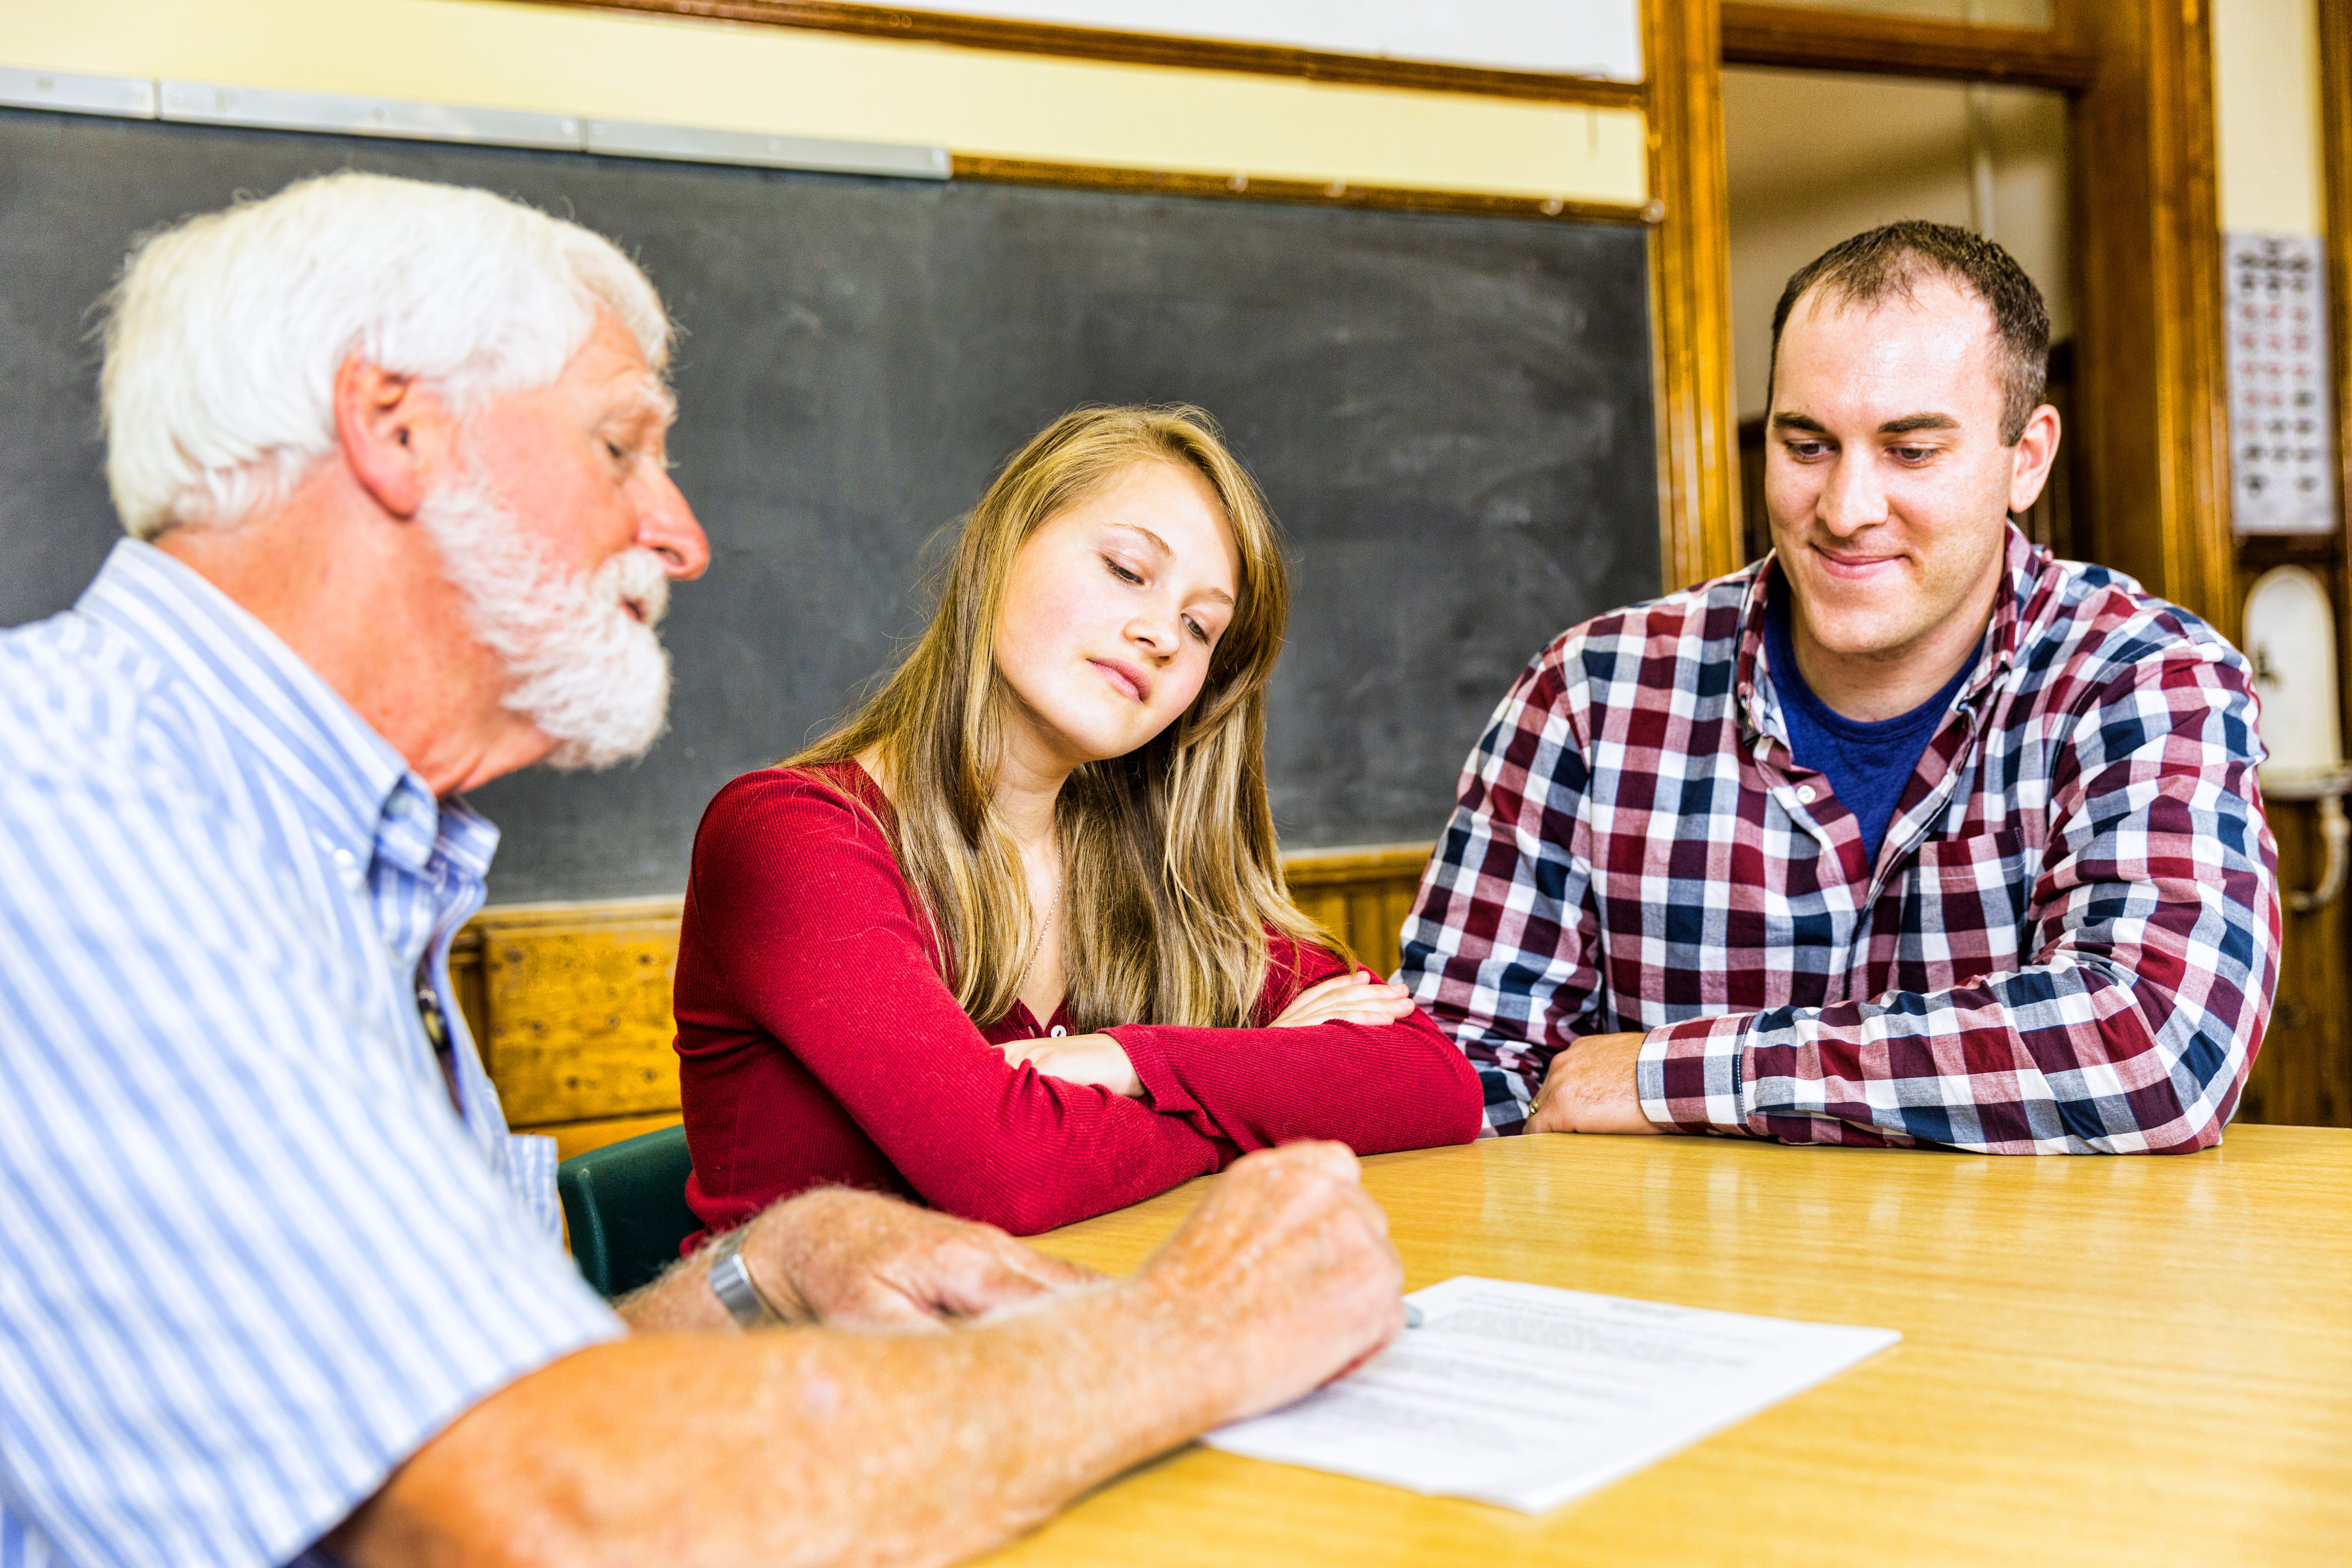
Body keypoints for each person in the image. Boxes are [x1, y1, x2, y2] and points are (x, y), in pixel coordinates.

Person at [0, 172, 1408, 1568]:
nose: (682, 534)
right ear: (396, 428)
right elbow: (530, 1509)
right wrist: (1184, 1336)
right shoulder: (79, 806)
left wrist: (769, 1264)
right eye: (622, 449)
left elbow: (498, 1394)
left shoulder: (347, 857)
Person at [1401, 220, 2278, 1154]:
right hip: (1671, 1289)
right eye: (1808, 445)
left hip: (2026, 1295)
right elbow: (1457, 1070)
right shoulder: (1592, 695)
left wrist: (1671, 1073)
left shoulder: (2144, 681)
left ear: (2027, 458)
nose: (1847, 510)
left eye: (1911, 450)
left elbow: (2153, 1048)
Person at [674, 406, 1484, 1240]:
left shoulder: (1150, 868)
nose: (1162, 633)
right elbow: (1011, 1175)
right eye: (1127, 569)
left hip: (1065, 1338)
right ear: (1002, 547)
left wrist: (1125, 1060)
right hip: (809, 1360)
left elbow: (1436, 1081)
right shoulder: (792, 836)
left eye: (1202, 626)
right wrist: (1251, 1105)